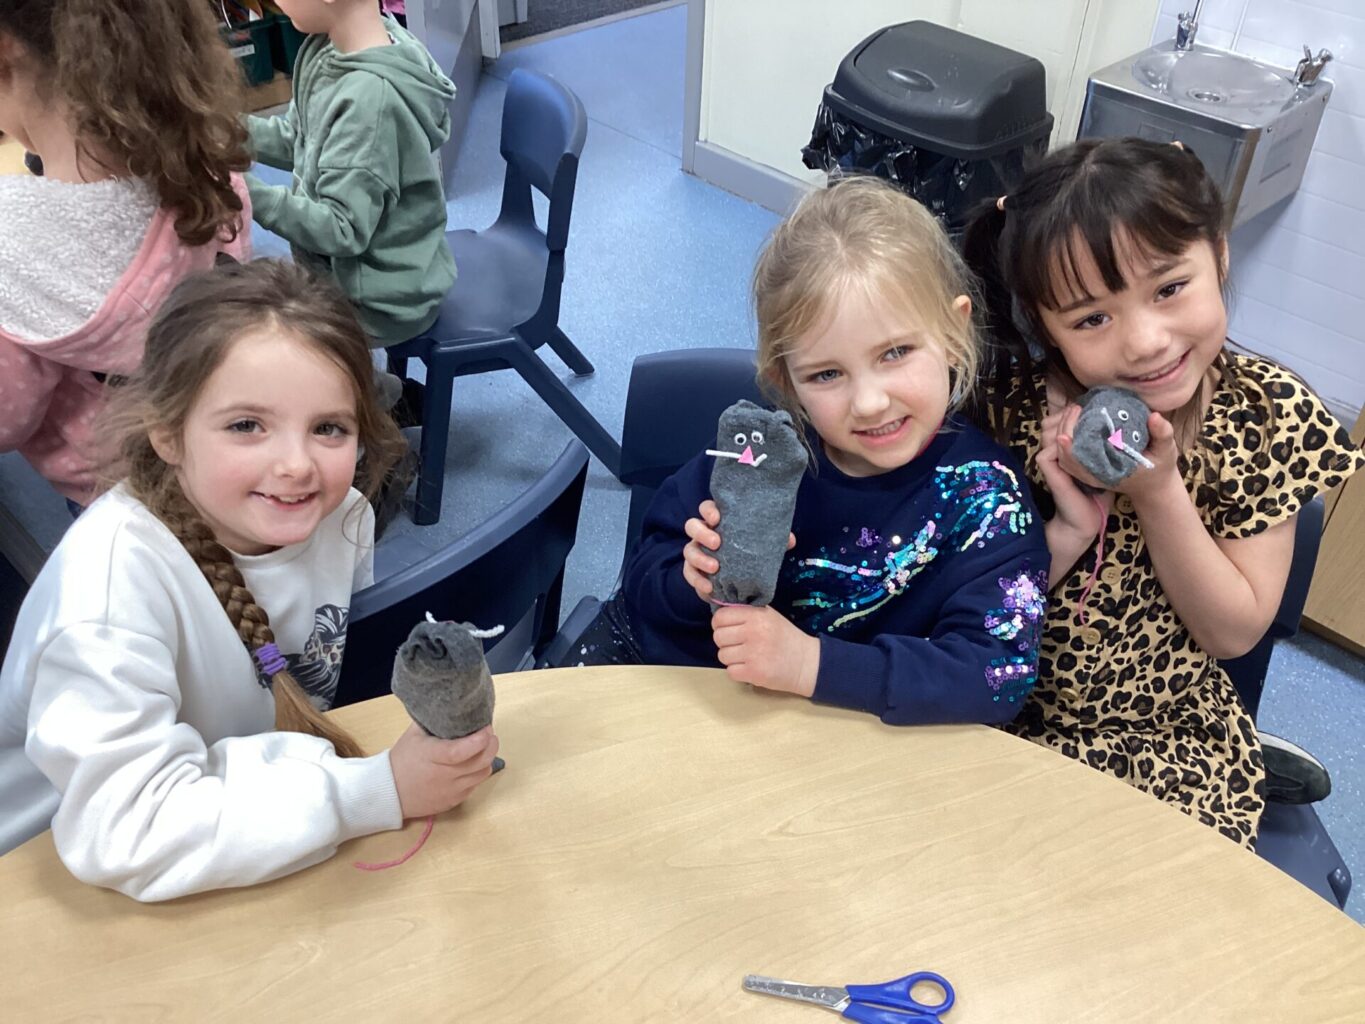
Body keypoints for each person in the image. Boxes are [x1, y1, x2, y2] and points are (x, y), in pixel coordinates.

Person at [0, 260, 499, 899]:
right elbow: (126, 831)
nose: (296, 465)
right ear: (167, 432)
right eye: (246, 426)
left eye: (328, 428)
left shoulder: (342, 515)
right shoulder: (105, 597)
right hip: (55, 877)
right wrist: (376, 791)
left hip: (245, 826)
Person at [962, 137, 1365, 847]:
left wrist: (1158, 493)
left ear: (1219, 254)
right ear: (1042, 324)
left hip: (1163, 737)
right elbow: (961, 599)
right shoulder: (1003, 408)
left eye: (1169, 288)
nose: (1145, 341)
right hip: (996, 707)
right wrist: (1064, 529)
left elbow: (1232, 632)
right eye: (1091, 318)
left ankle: (1253, 755)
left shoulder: (1265, 416)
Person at [576, 176, 1050, 726]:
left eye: (895, 352)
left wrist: (811, 664)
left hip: (821, 738)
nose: (869, 402)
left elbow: (997, 676)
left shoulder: (987, 500)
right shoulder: (758, 454)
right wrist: (690, 582)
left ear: (952, 331)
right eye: (827, 374)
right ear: (786, 380)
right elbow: (642, 578)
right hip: (673, 695)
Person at [0, 0, 253, 508]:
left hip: (120, 495)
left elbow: (8, 420)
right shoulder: (210, 171)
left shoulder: (13, 249)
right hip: (231, 450)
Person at [246, 0, 456, 348]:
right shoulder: (330, 49)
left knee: (256, 338)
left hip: (379, 303)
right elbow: (301, 140)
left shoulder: (369, 102)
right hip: (346, 271)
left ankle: (369, 379)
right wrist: (228, 131)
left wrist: (246, 193)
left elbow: (341, 230)